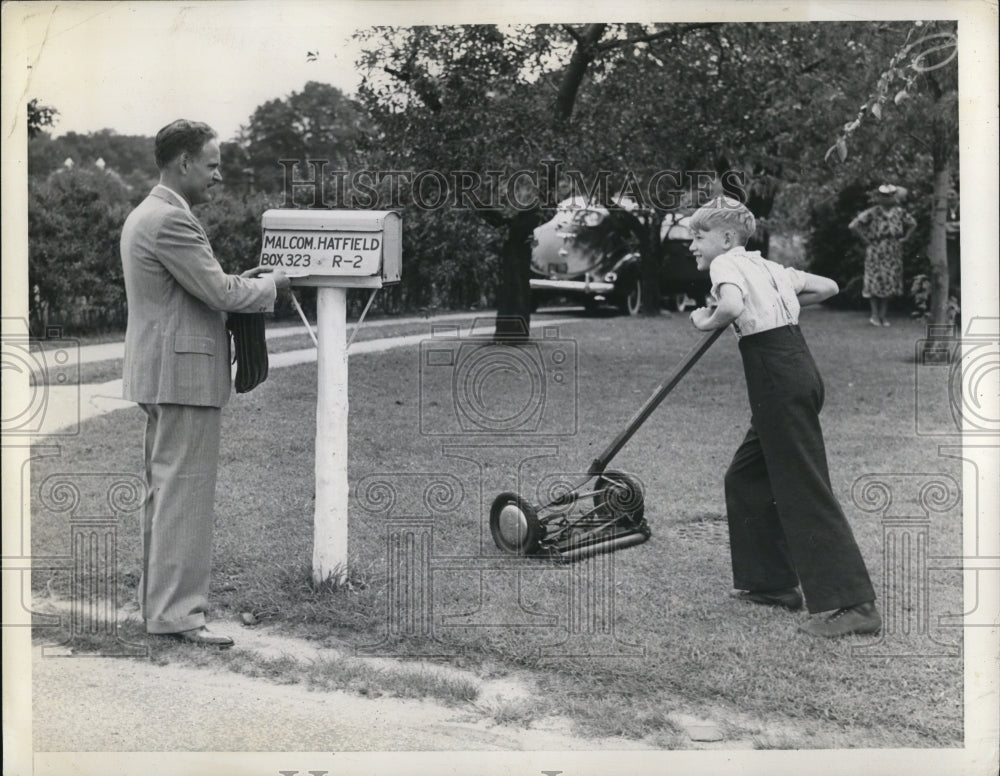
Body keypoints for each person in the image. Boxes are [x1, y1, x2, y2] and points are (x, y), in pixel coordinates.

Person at [121, 119, 290, 648]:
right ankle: (178, 615)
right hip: (184, 374)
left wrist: (250, 283)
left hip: (165, 372)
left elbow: (194, 290)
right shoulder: (171, 220)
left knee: (166, 493)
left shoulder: (148, 214)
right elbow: (218, 291)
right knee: (184, 496)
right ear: (184, 163)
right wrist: (272, 285)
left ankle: (161, 608)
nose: (219, 176)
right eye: (213, 164)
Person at [688, 196, 881, 638]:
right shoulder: (770, 268)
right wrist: (780, 303)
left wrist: (705, 320)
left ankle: (854, 604)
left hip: (775, 374)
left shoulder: (727, 268)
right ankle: (772, 585)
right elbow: (828, 287)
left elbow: (732, 308)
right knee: (745, 477)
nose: (692, 246)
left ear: (727, 238)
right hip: (797, 367)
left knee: (803, 486)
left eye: (698, 237)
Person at [848, 183, 917, 327]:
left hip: (893, 249)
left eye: (890, 196)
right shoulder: (873, 212)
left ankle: (883, 316)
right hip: (876, 248)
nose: (887, 199)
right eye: (884, 196)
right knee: (875, 280)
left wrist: (905, 238)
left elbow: (913, 224)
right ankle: (874, 316)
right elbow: (853, 225)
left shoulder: (899, 212)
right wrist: (866, 240)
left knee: (889, 281)